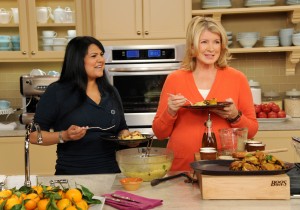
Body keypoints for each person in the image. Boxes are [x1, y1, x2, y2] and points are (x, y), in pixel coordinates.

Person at [152, 17, 258, 171]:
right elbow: (159, 133)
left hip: (226, 166)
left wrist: (235, 115)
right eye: (204, 42)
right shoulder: (175, 79)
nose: (211, 48)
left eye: (216, 42)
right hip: (182, 167)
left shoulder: (237, 78)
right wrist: (170, 111)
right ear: (192, 47)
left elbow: (252, 130)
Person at [29, 36, 131, 175]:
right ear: (77, 60)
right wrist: (64, 135)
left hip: (111, 174)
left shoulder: (111, 92)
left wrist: (128, 139)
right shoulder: (57, 91)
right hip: (72, 176)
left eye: (101, 54)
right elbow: (34, 136)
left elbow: (122, 128)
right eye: (94, 56)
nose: (101, 60)